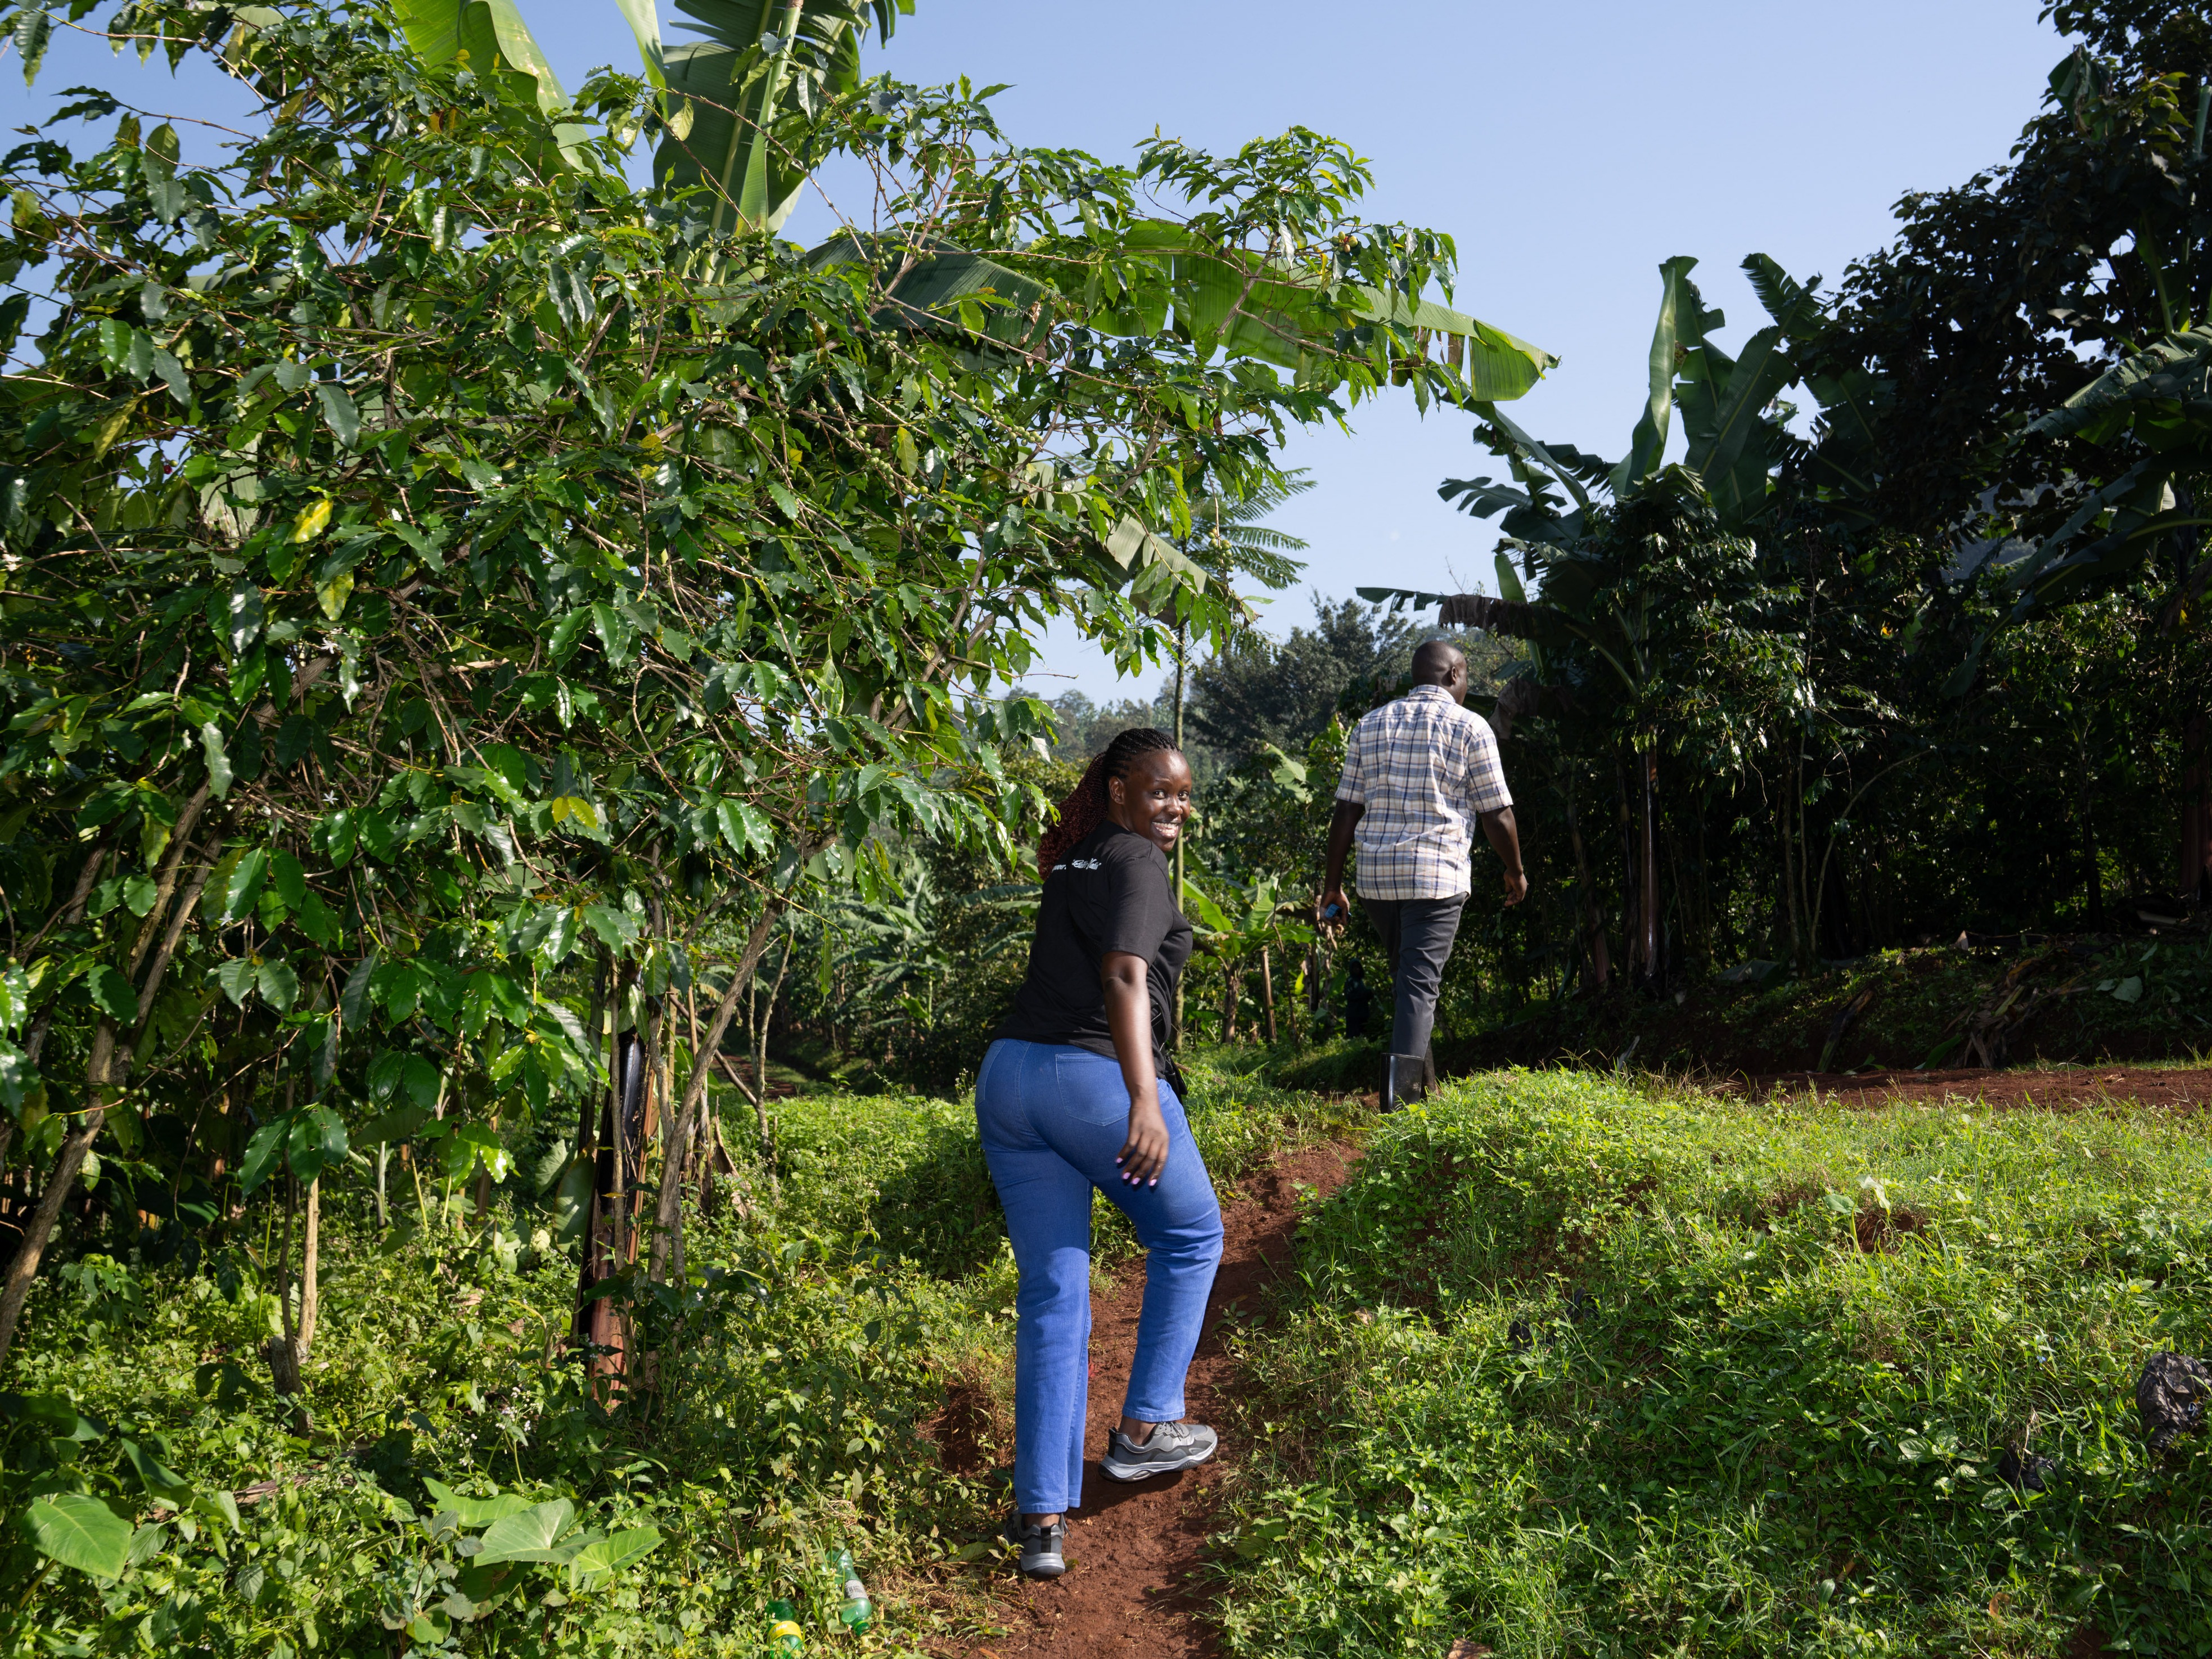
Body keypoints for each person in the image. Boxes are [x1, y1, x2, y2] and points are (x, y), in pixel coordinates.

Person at [979, 727, 1224, 1579]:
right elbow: (1124, 974)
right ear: (1119, 789)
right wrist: (1146, 1098)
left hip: (1009, 1078)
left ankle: (1041, 1516)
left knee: (1054, 1292)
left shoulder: (1077, 855)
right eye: (1160, 791)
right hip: (1090, 1083)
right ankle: (1146, 1427)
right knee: (1192, 1234)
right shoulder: (1132, 858)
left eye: (1185, 793)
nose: (1177, 807)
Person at [1318, 641, 1527, 1111]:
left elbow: (1346, 811)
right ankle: (1401, 1109)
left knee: (1411, 984)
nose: (1467, 685)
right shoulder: (1469, 726)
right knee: (1417, 986)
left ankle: (1424, 1093)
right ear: (1453, 675)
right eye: (1467, 676)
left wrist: (1333, 886)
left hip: (1377, 880)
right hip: (1435, 878)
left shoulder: (1370, 725)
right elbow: (1497, 815)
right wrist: (1515, 871)